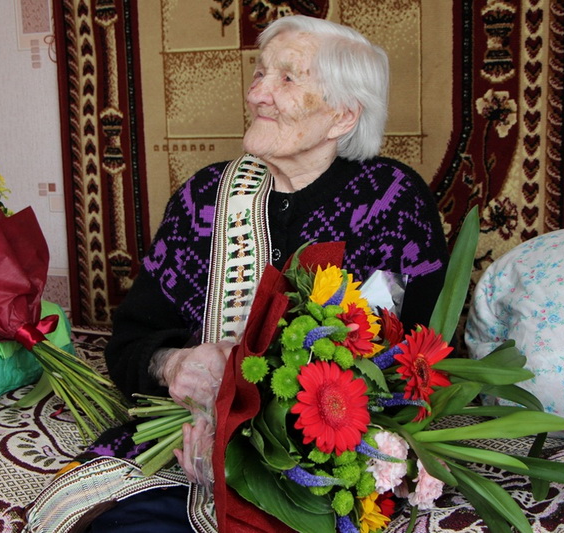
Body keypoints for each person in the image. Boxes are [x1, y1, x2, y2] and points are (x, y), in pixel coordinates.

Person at [28, 14, 449, 533]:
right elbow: (129, 345)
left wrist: (247, 438)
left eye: (287, 79)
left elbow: (407, 373)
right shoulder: (202, 198)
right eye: (259, 74)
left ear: (344, 115)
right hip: (177, 451)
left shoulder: (391, 202)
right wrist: (171, 363)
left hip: (315, 470)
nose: (257, 95)